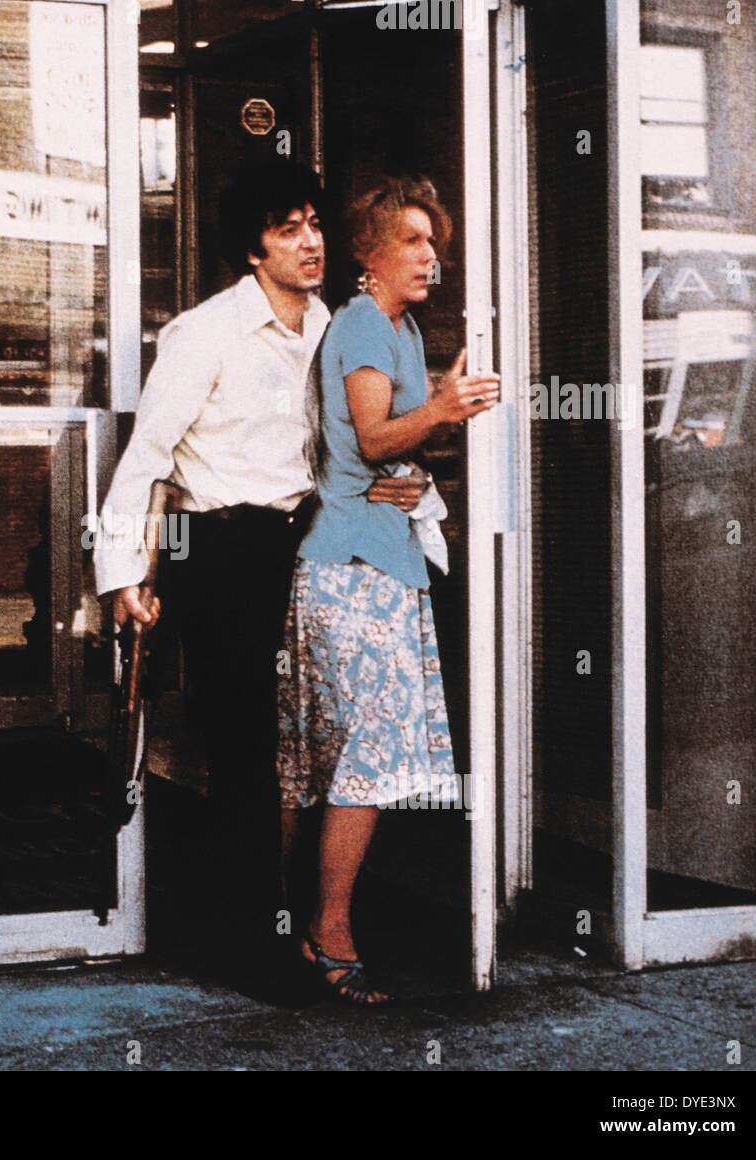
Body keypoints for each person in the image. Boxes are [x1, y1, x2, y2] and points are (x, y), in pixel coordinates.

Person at [93, 163, 423, 985]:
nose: (310, 241)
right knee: (244, 750)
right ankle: (249, 944)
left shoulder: (334, 328)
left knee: (311, 748)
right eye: (287, 228)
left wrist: (410, 490)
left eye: (314, 222)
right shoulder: (203, 334)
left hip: (307, 544)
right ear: (252, 249)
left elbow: (355, 441)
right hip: (223, 550)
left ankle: (309, 924)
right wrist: (125, 573)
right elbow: (145, 460)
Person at [277, 176, 499, 1004]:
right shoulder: (366, 325)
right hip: (350, 575)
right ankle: (326, 931)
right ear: (368, 255)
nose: (429, 256)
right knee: (358, 762)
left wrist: (414, 467)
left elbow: (379, 453)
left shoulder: (398, 328)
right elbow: (372, 434)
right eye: (412, 241)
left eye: (433, 243)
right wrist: (440, 411)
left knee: (331, 761)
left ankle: (301, 924)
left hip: (380, 568)